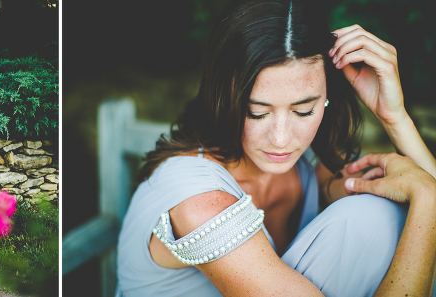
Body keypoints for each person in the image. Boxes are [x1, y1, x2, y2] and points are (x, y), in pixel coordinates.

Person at [116, 0, 436, 296]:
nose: (281, 140)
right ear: (224, 96)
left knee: (380, 211)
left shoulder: (310, 164)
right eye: (257, 112)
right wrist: (428, 198)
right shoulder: (200, 204)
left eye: (303, 111)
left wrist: (394, 118)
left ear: (327, 95)